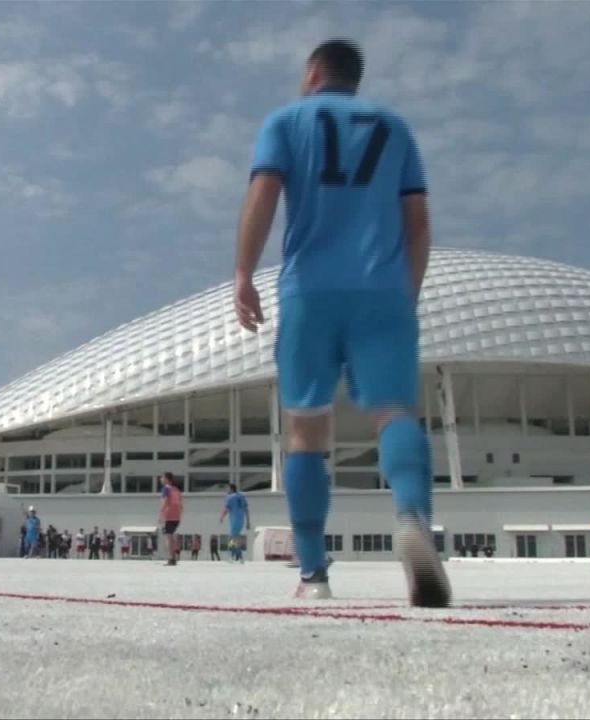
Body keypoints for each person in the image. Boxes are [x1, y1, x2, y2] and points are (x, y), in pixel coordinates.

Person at [232, 39, 448, 605]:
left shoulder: (285, 122)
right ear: (355, 78)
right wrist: (405, 293)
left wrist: (243, 273)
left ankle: (314, 573)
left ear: (312, 72)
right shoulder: (394, 128)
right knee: (394, 413)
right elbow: (419, 222)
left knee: (306, 428)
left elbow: (263, 195)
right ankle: (412, 520)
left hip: (310, 289)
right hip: (382, 290)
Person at [219, 483, 251, 563]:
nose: (227, 490)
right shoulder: (242, 496)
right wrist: (248, 521)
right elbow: (246, 510)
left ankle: (231, 556)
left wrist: (222, 517)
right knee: (235, 538)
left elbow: (226, 509)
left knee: (232, 538)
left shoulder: (230, 497)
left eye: (228, 489)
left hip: (234, 520)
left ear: (231, 489)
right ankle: (240, 557)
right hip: (241, 521)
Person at [158, 472, 183, 566]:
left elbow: (164, 501)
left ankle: (171, 559)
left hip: (168, 515)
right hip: (177, 516)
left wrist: (161, 514)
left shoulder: (166, 488)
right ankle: (174, 557)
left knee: (168, 537)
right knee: (171, 536)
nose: (160, 479)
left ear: (167, 479)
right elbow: (181, 504)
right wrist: (180, 515)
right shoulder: (176, 489)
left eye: (162, 477)